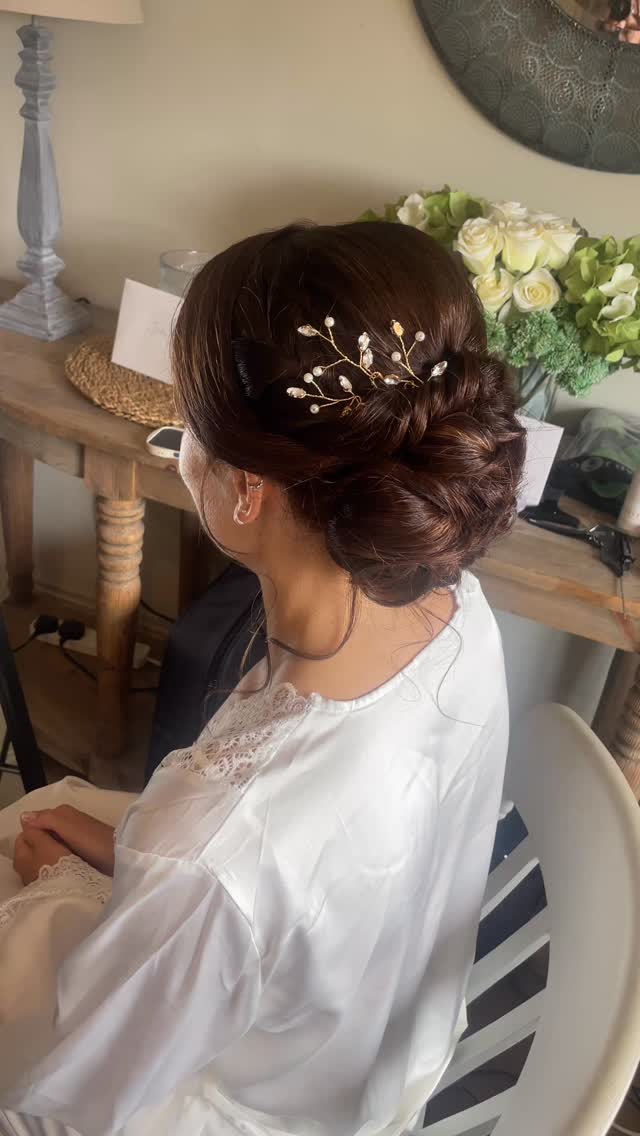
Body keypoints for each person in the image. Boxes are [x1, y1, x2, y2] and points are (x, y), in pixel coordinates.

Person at [0, 221, 526, 1136]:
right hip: (375, 1045)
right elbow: (322, 882)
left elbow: (68, 1107)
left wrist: (68, 898)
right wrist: (141, 866)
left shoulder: (216, 850)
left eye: (184, 424)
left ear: (248, 488)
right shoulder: (459, 615)